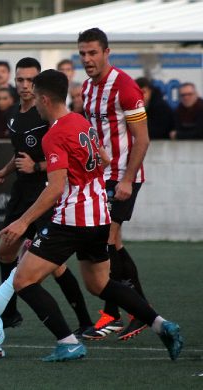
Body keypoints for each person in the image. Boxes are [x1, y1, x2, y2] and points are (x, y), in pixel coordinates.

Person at [1, 69, 183, 362]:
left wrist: (23, 221)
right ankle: (161, 325)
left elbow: (56, 188)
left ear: (45, 99)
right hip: (100, 216)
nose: (33, 103)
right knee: (100, 285)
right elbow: (107, 159)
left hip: (72, 220)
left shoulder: (54, 133)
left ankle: (68, 343)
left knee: (23, 281)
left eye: (35, 97)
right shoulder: (82, 121)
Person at [0, 57, 93, 335]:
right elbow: (19, 153)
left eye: (29, 81)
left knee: (56, 266)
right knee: (5, 249)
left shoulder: (47, 114)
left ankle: (85, 322)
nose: (24, 86)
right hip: (21, 191)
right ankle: (10, 314)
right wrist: (6, 170)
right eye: (20, 80)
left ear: (39, 86)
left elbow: (68, 158)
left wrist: (37, 167)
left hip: (46, 193)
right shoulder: (13, 115)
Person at [78, 28, 152, 341]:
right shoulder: (86, 88)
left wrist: (125, 179)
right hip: (99, 177)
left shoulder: (125, 87)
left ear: (107, 52)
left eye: (93, 52)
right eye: (82, 53)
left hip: (123, 177)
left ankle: (134, 311)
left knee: (108, 237)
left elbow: (143, 139)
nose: (87, 59)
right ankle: (116, 311)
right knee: (110, 243)